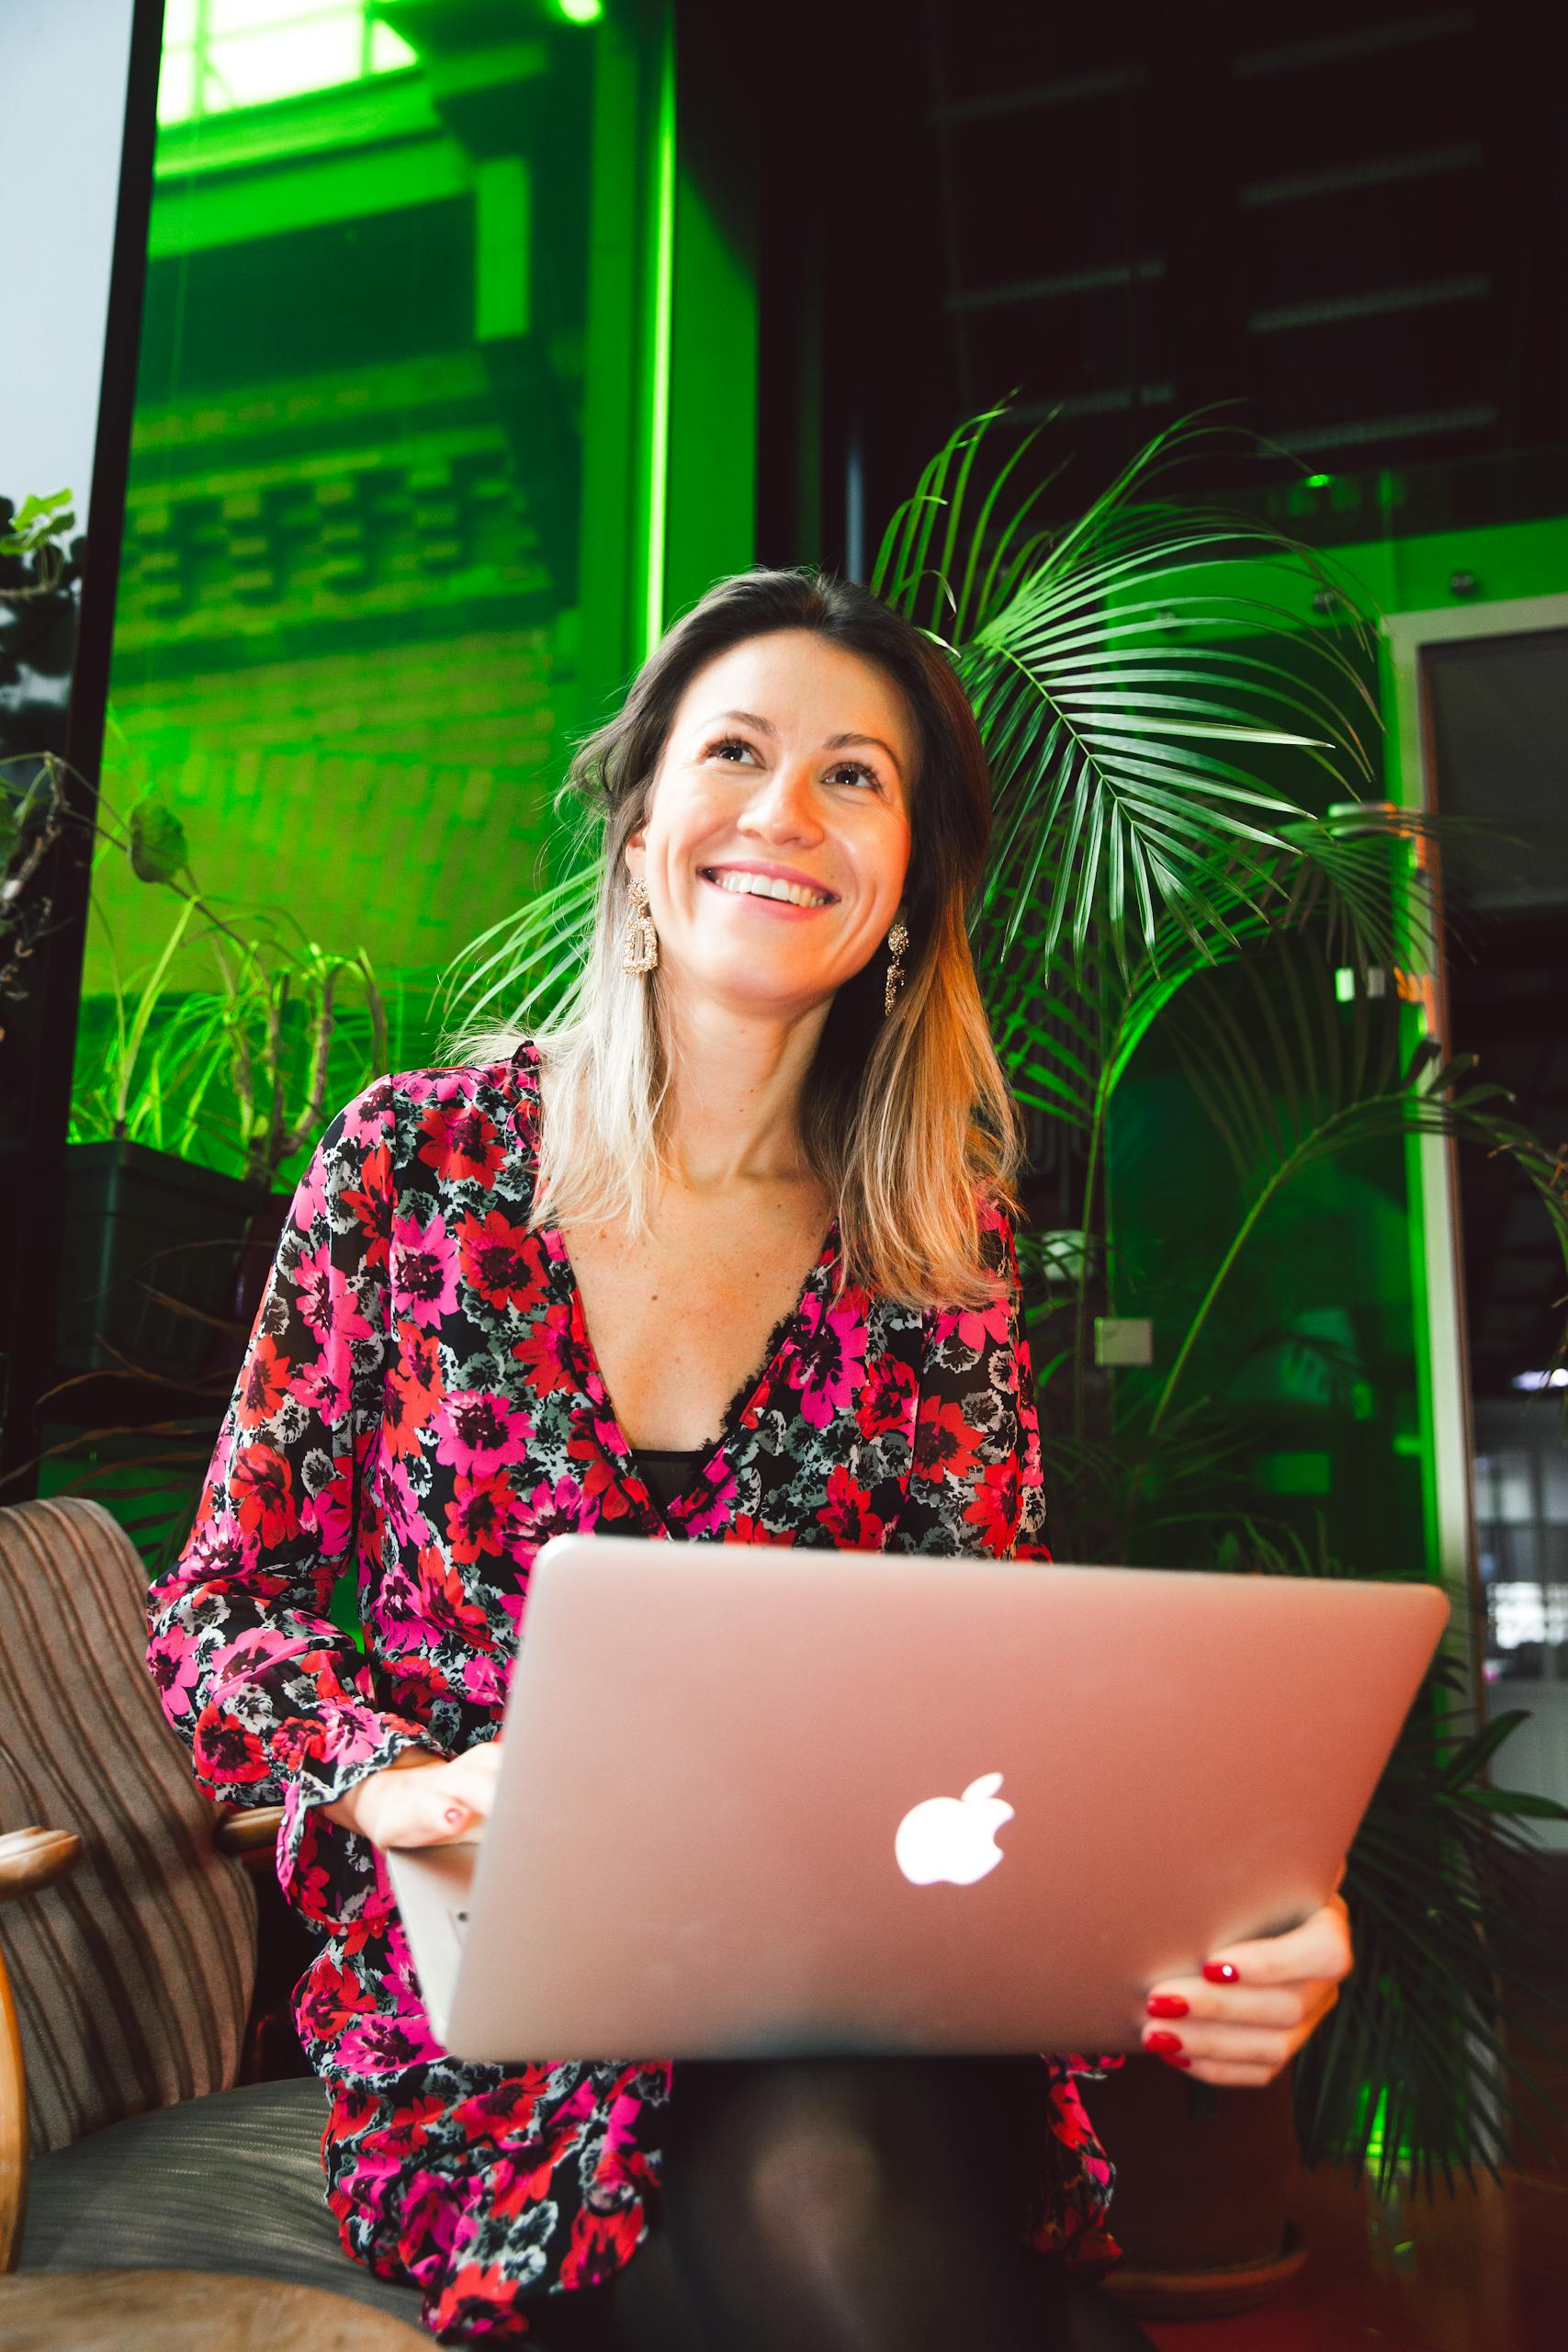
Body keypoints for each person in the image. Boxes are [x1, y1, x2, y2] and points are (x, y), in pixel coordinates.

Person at [145, 569, 1351, 2349]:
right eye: (734, 751)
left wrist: (1245, 1914)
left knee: (828, 2171)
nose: (786, 809)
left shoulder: (933, 1245)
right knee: (874, 2243)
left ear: (906, 887)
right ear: (638, 829)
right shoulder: (409, 1165)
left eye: (855, 775)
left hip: (848, 1982)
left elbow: (1004, 1685)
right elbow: (219, 1608)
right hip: (503, 2020)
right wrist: (391, 1778)